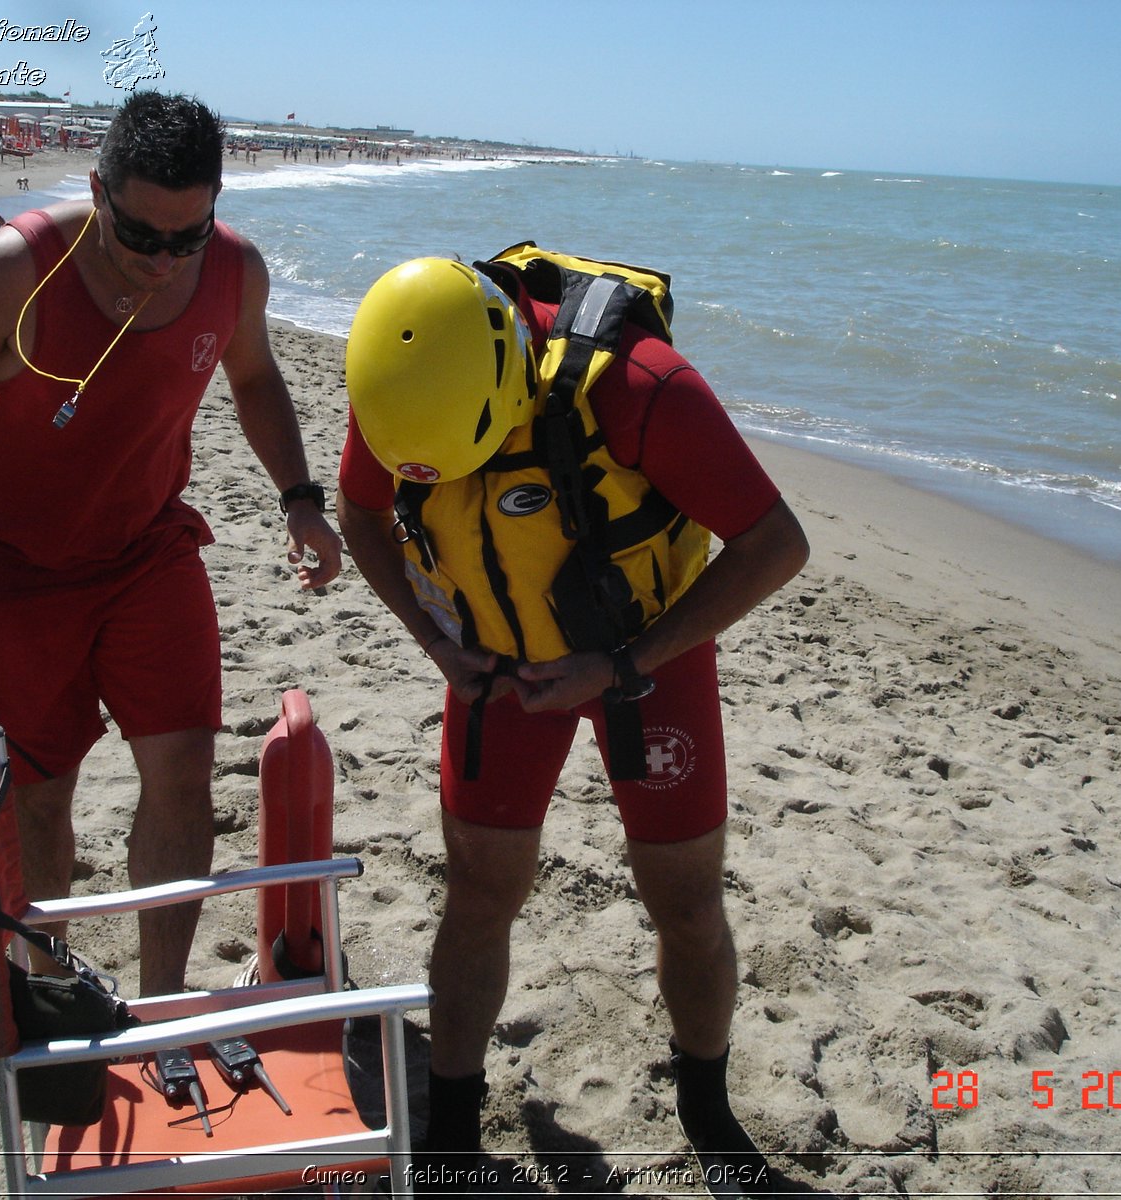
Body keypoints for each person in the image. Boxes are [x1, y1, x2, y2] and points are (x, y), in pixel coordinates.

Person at [338, 251, 810, 1195]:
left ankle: (708, 1115)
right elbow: (359, 516)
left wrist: (624, 662)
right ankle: (455, 1136)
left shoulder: (641, 389)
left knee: (682, 898)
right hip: (496, 670)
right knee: (478, 890)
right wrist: (439, 645)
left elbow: (775, 543)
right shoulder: (396, 388)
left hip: (646, 660)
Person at [0, 91, 342, 997]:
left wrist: (300, 501)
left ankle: (161, 1002)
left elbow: (255, 379)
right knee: (40, 797)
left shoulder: (235, 272)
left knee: (183, 773)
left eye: (188, 236)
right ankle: (48, 987)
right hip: (14, 569)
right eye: (142, 237)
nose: (166, 261)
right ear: (97, 191)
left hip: (148, 551)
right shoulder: (15, 270)